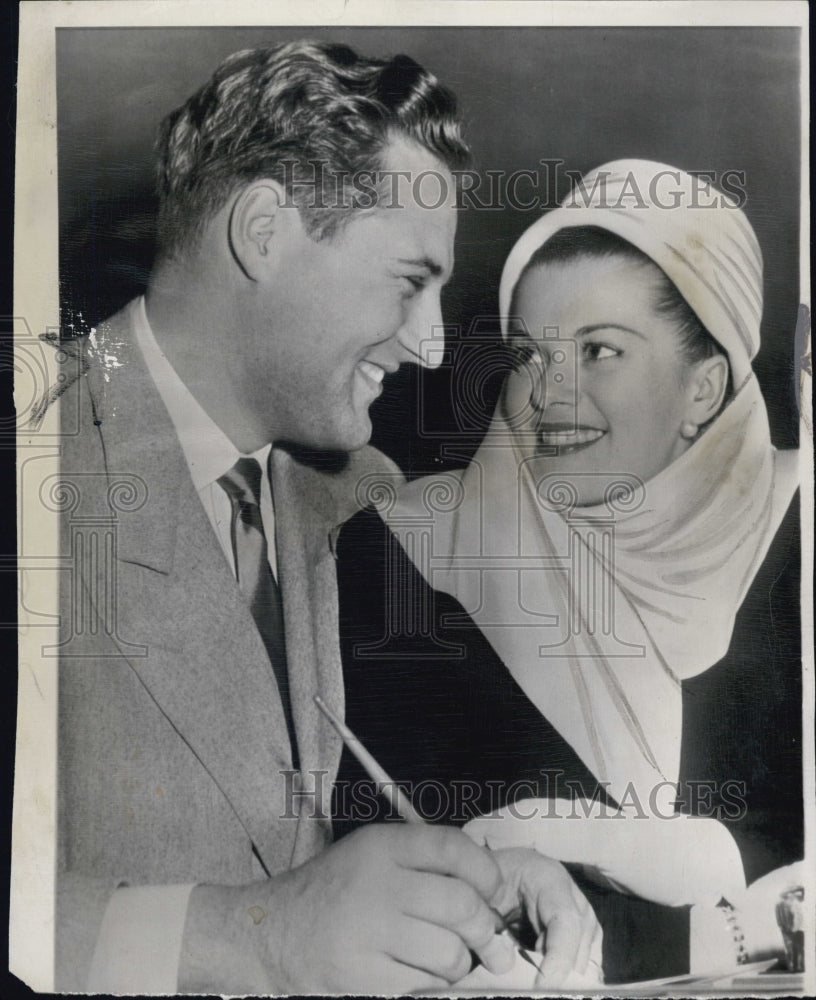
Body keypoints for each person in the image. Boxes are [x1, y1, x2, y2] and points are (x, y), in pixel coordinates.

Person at [50, 41, 600, 994]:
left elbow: (498, 768)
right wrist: (252, 935)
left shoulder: (351, 494)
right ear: (264, 230)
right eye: (408, 280)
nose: (433, 344)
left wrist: (483, 869)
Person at [335, 160, 802, 980]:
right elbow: (412, 888)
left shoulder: (800, 534)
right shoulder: (405, 556)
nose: (546, 394)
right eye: (528, 354)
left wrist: (619, 842)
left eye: (598, 351)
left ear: (704, 387)